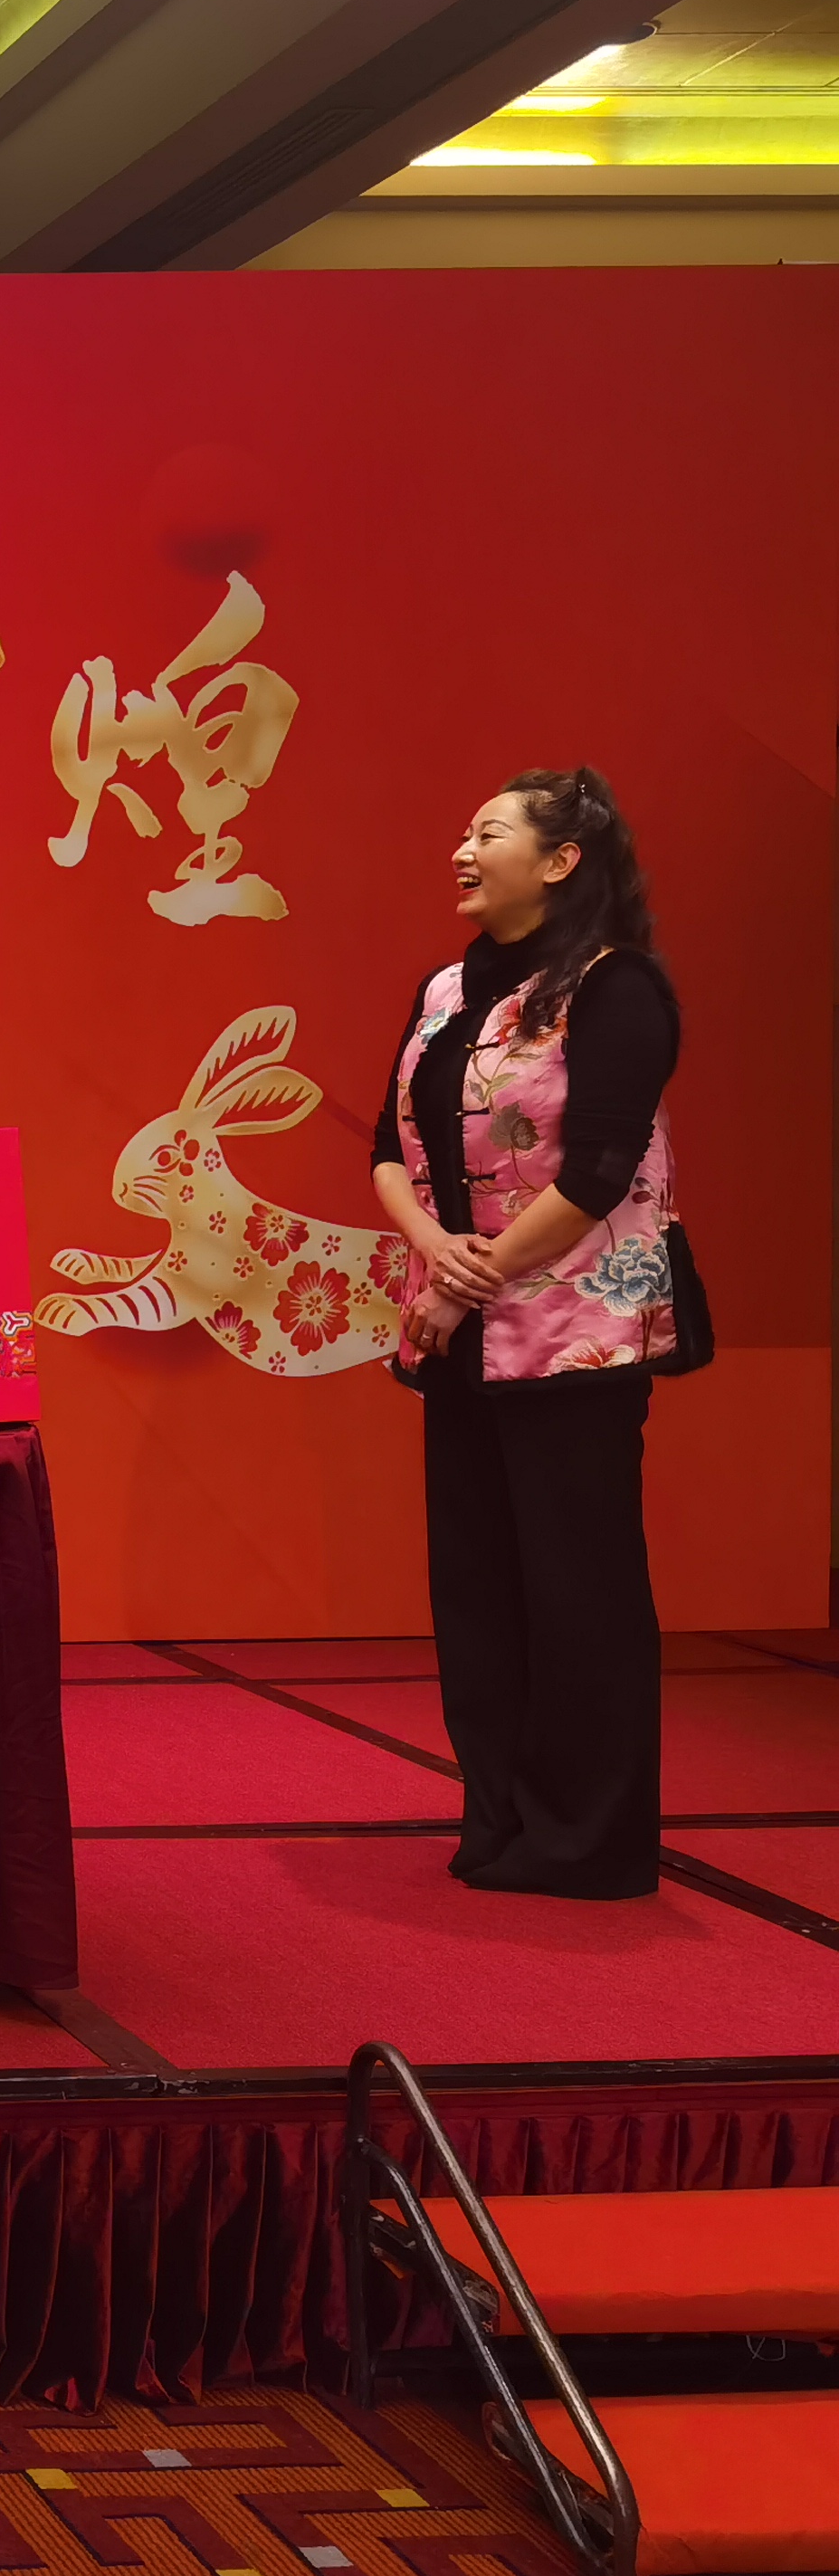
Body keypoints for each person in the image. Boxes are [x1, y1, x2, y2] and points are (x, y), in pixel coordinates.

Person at [369, 766, 707, 1900]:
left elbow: (599, 1169)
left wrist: (467, 1279)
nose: (460, 852)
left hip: (575, 1336)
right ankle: (500, 1819)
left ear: (560, 862)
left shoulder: (617, 987)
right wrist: (432, 1248)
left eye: (488, 834)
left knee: (577, 1591)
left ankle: (587, 1841)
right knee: (477, 1588)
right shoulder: (442, 990)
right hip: (455, 1329)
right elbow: (385, 1147)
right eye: (463, 834)